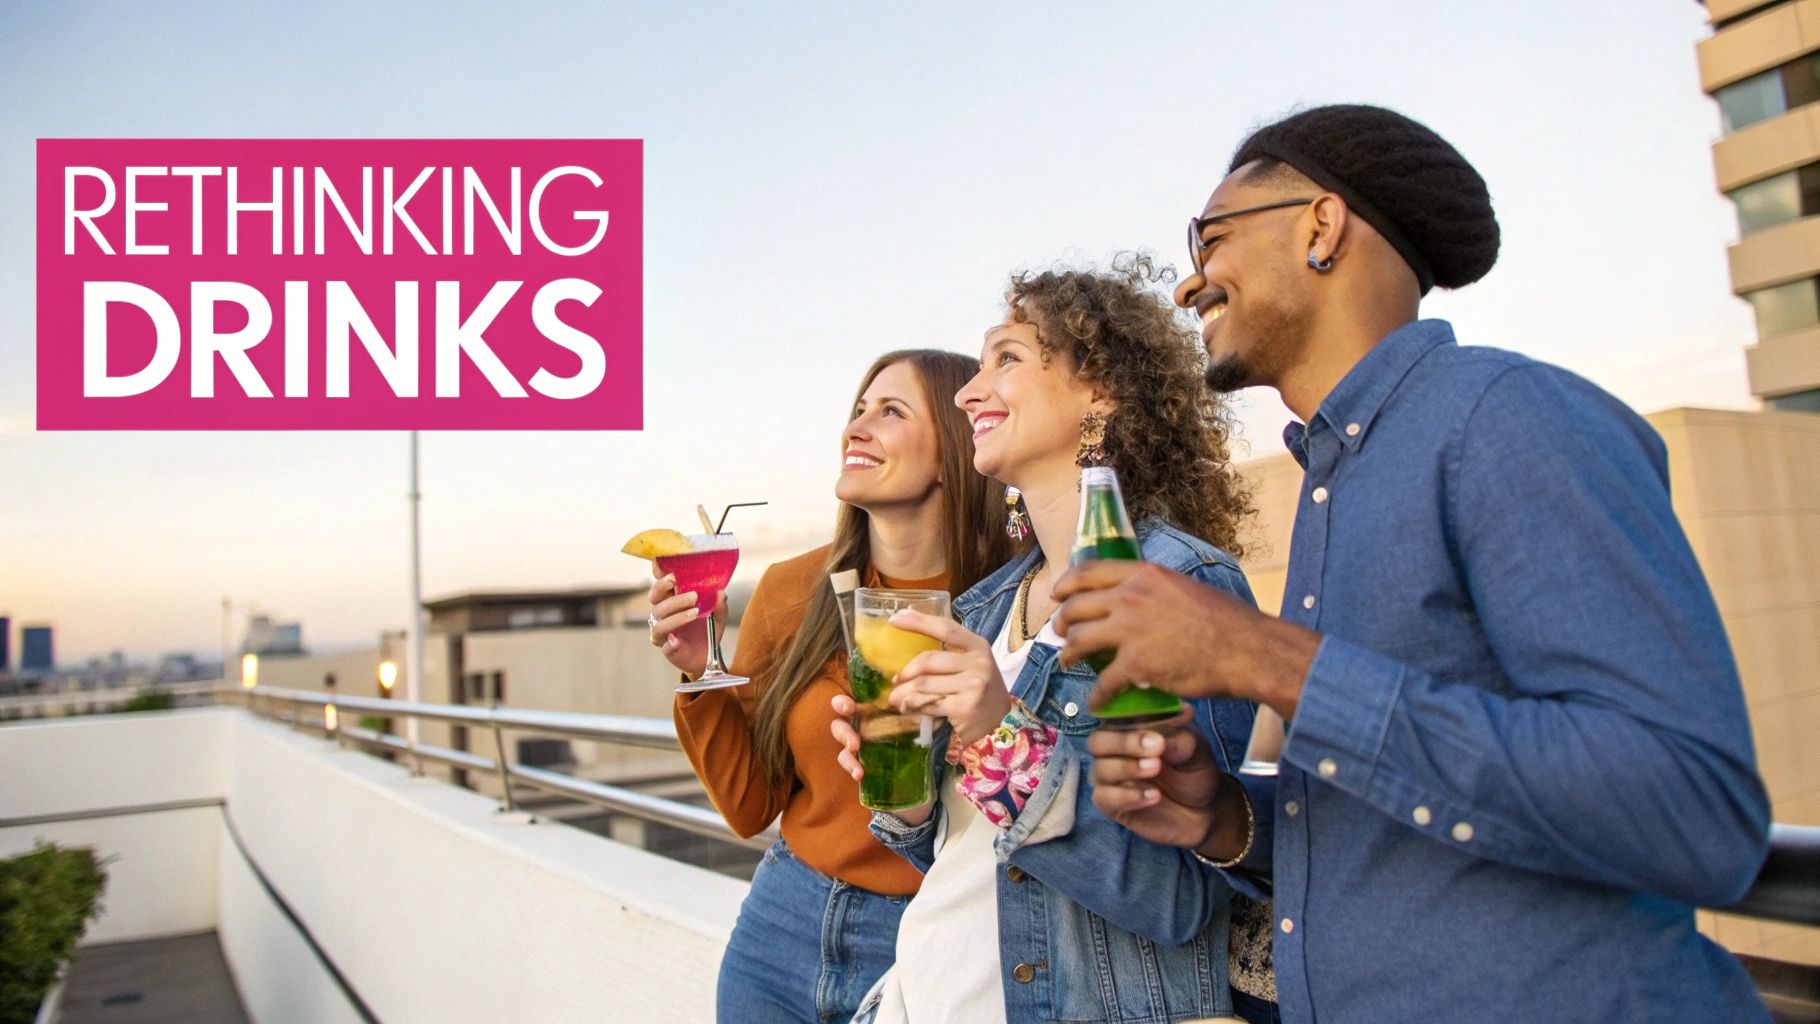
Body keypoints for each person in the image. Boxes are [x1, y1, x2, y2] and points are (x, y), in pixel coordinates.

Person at [1057, 104, 1772, 1022]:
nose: (1191, 285)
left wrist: (1259, 658)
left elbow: (1695, 816)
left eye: (1211, 240)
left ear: (1321, 227)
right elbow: (1412, 846)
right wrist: (1227, 819)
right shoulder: (1336, 479)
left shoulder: (1506, 419)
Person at [833, 259, 1276, 1024]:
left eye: (1006, 358)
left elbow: (1186, 900)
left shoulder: (1179, 585)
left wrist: (999, 737)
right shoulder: (987, 608)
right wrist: (901, 792)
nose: (971, 392)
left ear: (1100, 390)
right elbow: (962, 861)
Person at [646, 349, 1012, 1024]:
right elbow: (749, 805)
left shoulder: (1012, 596)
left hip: (931, 943)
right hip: (785, 924)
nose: (857, 427)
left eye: (891, 410)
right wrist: (700, 670)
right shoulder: (791, 590)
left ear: (957, 449)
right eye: (857, 411)